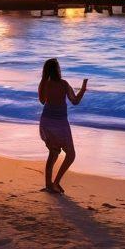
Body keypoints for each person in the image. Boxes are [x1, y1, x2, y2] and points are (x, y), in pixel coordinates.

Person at [38, 58, 86, 194]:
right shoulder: (64, 84)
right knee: (70, 154)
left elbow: (42, 101)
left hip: (46, 122)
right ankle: (56, 183)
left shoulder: (43, 84)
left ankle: (49, 185)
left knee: (53, 153)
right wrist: (82, 89)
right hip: (60, 123)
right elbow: (75, 101)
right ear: (57, 69)